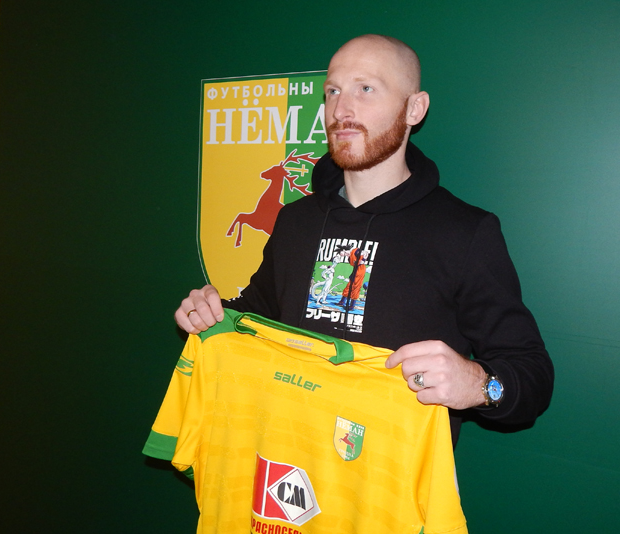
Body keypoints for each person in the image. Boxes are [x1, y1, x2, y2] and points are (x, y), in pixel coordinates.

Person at [175, 34, 553, 443]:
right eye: (332, 91)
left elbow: (531, 375)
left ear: (414, 108)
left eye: (366, 89)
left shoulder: (464, 231)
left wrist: (479, 385)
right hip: (283, 457)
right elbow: (257, 316)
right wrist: (211, 312)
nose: (341, 110)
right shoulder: (295, 220)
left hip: (392, 476)